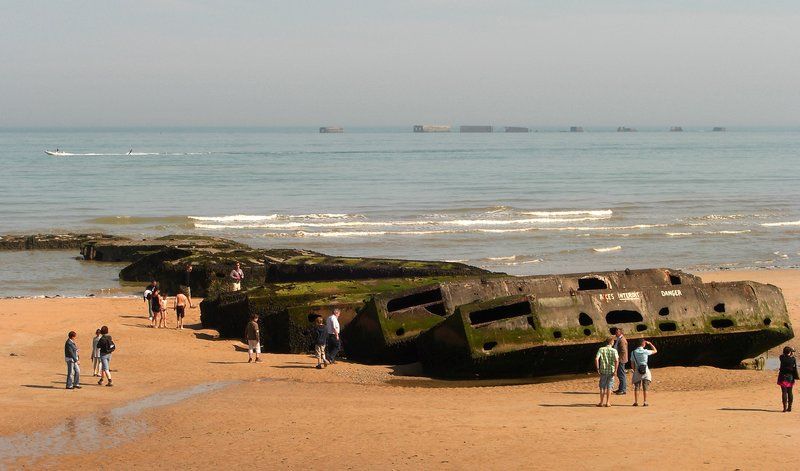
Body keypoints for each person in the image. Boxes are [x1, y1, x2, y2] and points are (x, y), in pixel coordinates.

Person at [630, 339, 658, 406]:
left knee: (637, 387)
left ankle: (636, 402)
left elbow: (632, 363)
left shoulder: (633, 352)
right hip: (645, 370)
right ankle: (645, 401)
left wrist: (634, 370)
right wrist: (650, 344)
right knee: (645, 386)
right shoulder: (645, 351)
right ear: (643, 344)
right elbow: (655, 351)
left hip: (637, 370)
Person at [595, 336, 619, 407]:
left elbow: (596, 359)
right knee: (609, 387)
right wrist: (615, 370)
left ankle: (601, 402)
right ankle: (608, 402)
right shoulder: (614, 350)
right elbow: (617, 361)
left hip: (603, 370)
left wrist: (598, 368)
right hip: (611, 370)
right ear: (611, 342)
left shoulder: (601, 349)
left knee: (602, 387)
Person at [778, 346, 798, 412]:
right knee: (790, 392)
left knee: (784, 392)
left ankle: (784, 408)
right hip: (790, 377)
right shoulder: (793, 359)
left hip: (782, 377)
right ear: (790, 352)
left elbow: (782, 355)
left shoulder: (781, 358)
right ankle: (789, 407)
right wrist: (791, 351)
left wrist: (788, 351)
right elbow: (794, 365)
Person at [612, 327, 629, 395]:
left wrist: (618, 359)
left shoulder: (622, 340)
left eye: (617, 332)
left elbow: (623, 351)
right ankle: (621, 388)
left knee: (621, 374)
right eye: (616, 331)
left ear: (621, 332)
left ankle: (622, 389)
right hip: (620, 359)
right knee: (620, 374)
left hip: (621, 360)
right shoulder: (620, 339)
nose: (616, 333)